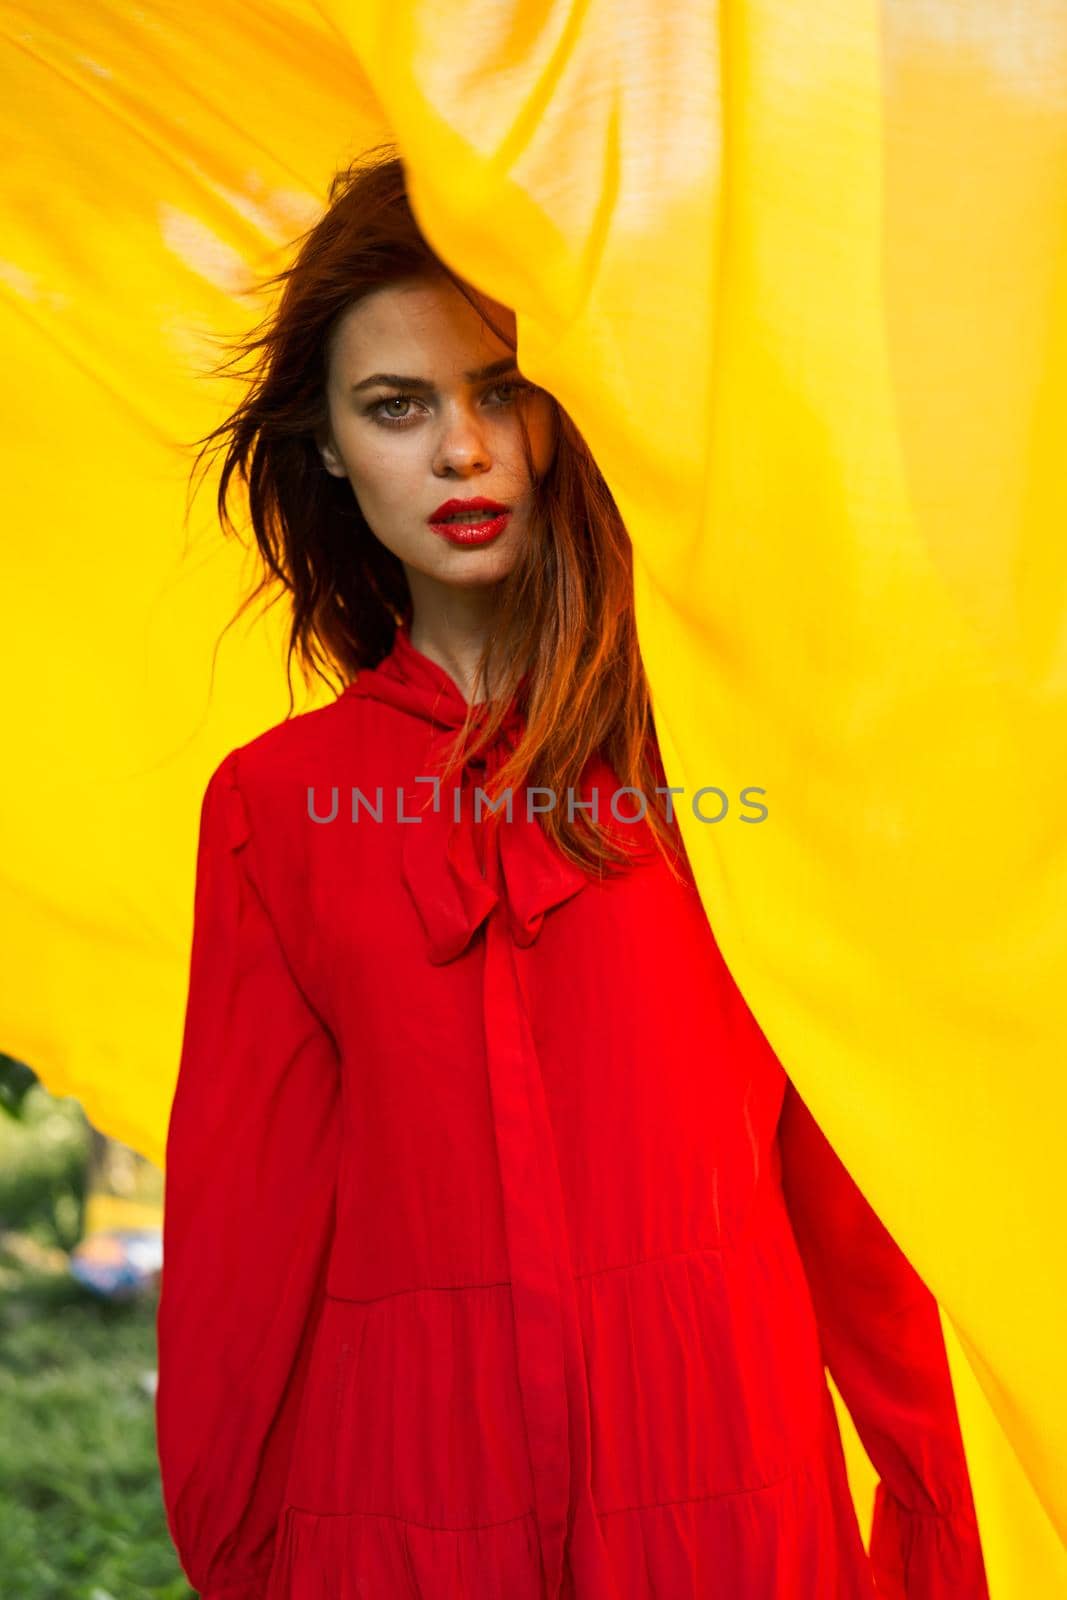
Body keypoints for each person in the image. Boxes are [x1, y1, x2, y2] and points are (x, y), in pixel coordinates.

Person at [155, 142, 990, 1600]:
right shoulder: (274, 814)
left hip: (728, 1488)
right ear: (334, 450)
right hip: (402, 1505)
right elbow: (245, 1239)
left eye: (499, 390)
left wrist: (924, 1497)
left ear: (565, 418)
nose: (461, 451)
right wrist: (240, 1562)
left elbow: (852, 1184)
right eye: (397, 408)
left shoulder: (728, 760)